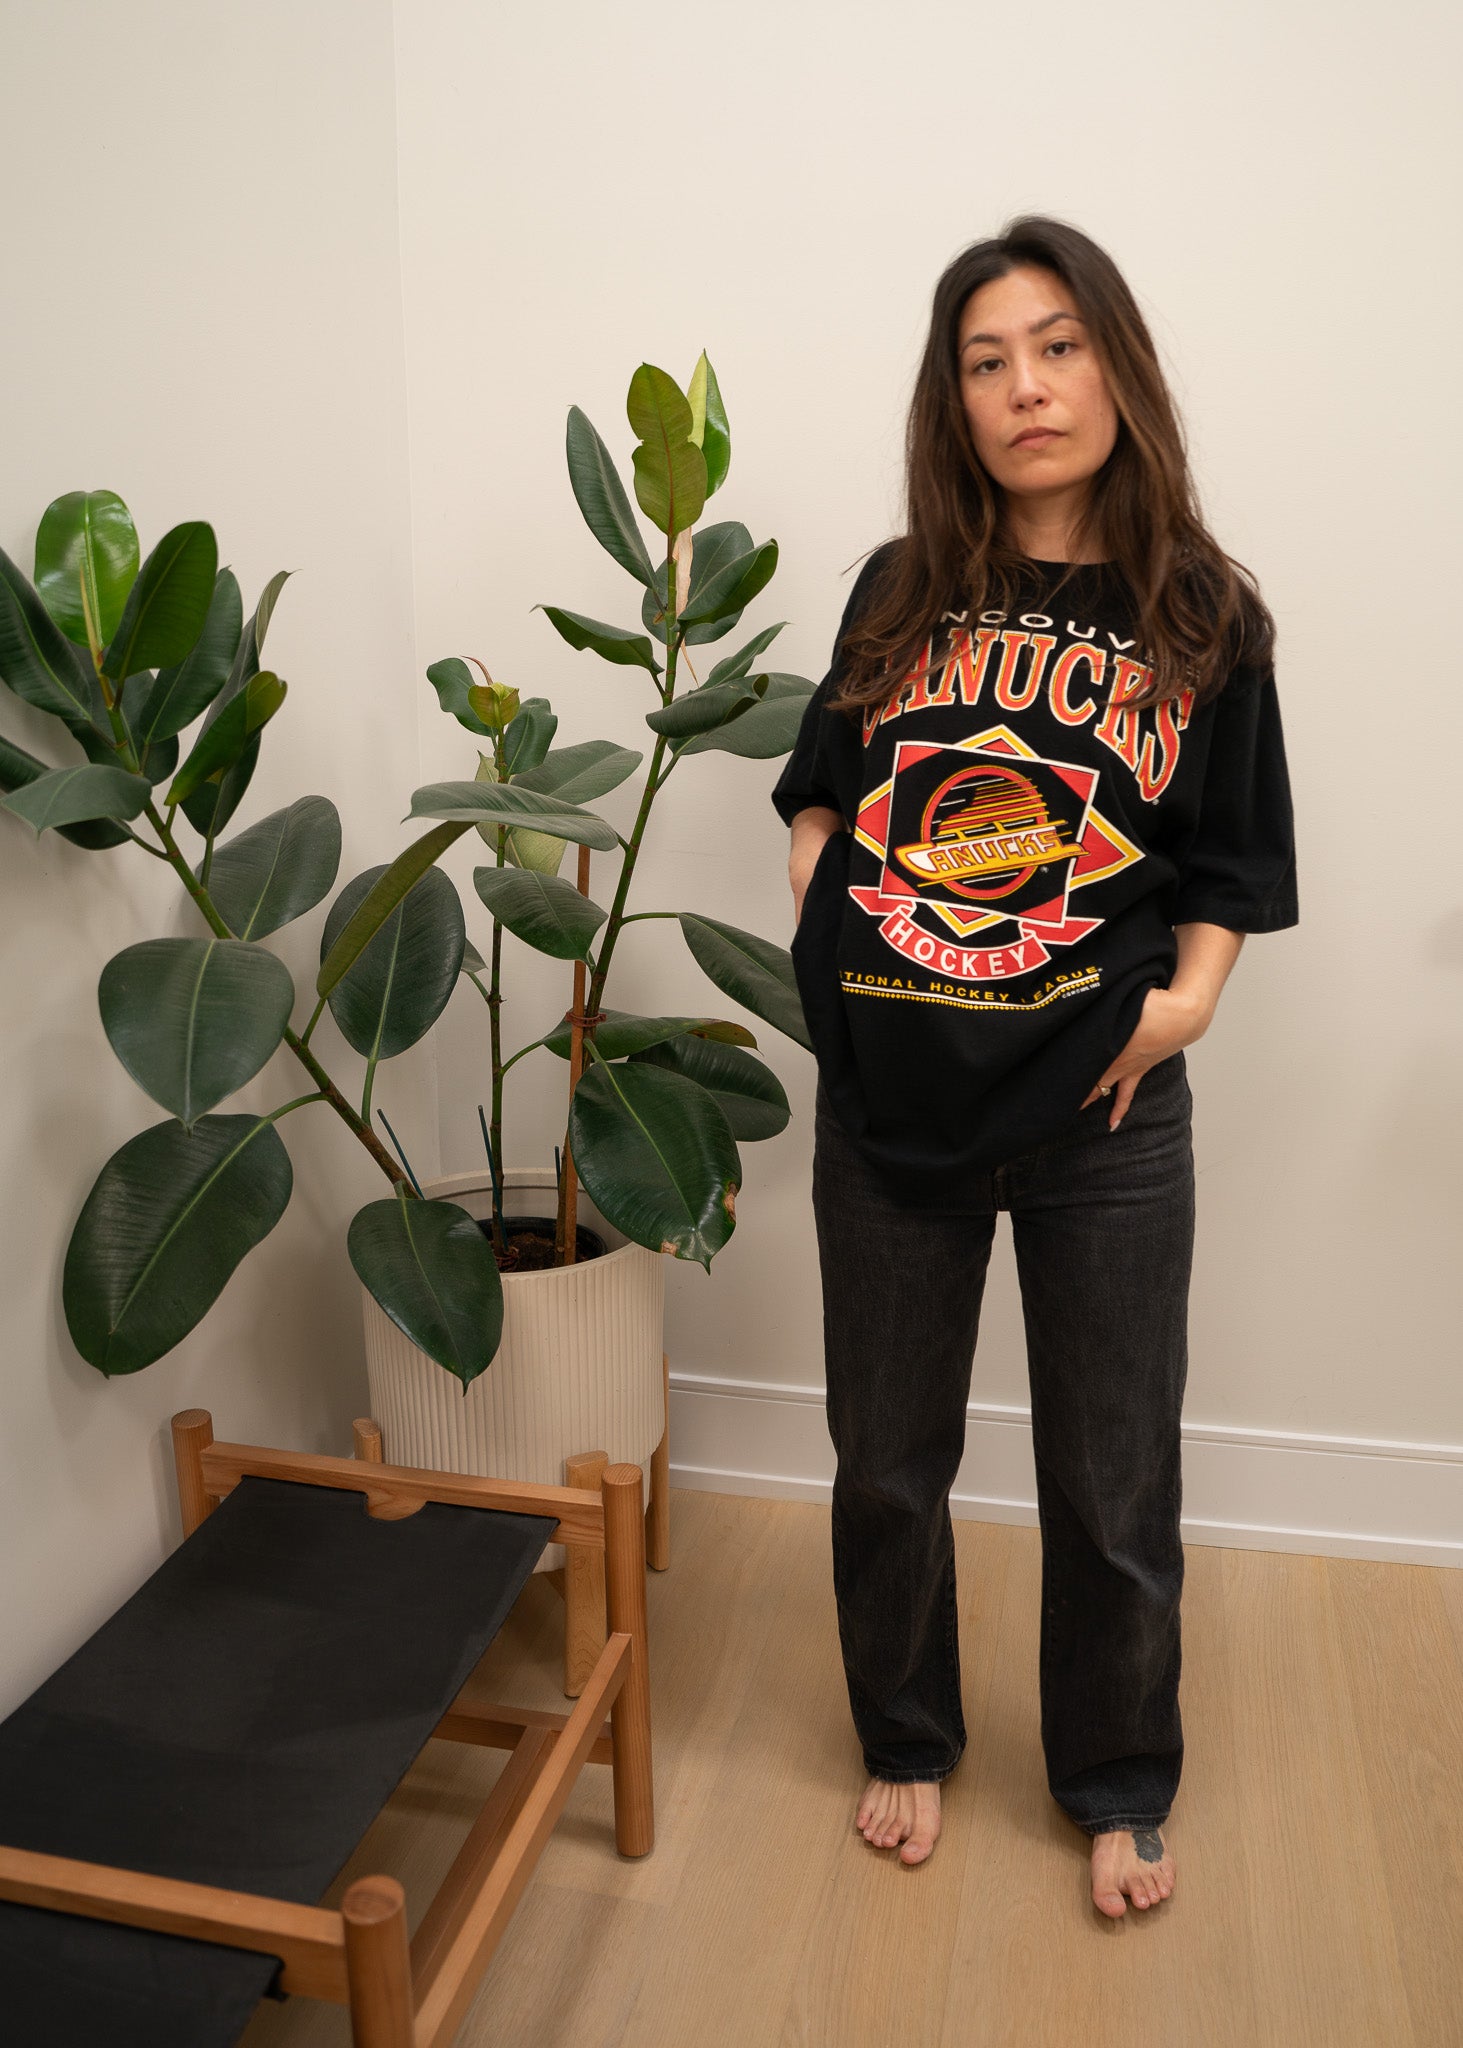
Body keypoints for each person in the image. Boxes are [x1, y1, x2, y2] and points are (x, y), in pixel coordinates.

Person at [770, 215, 1298, 1919]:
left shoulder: (1203, 612)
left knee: (1115, 1473)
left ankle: (1117, 1778)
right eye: (986, 360)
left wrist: (1184, 1010)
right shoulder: (897, 585)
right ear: (956, 400)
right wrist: (825, 891)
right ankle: (907, 1733)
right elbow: (820, 782)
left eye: (1057, 346)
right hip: (895, 1106)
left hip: (1108, 1115)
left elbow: (1227, 862)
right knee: (887, 1459)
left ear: (1116, 366)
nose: (1025, 388)